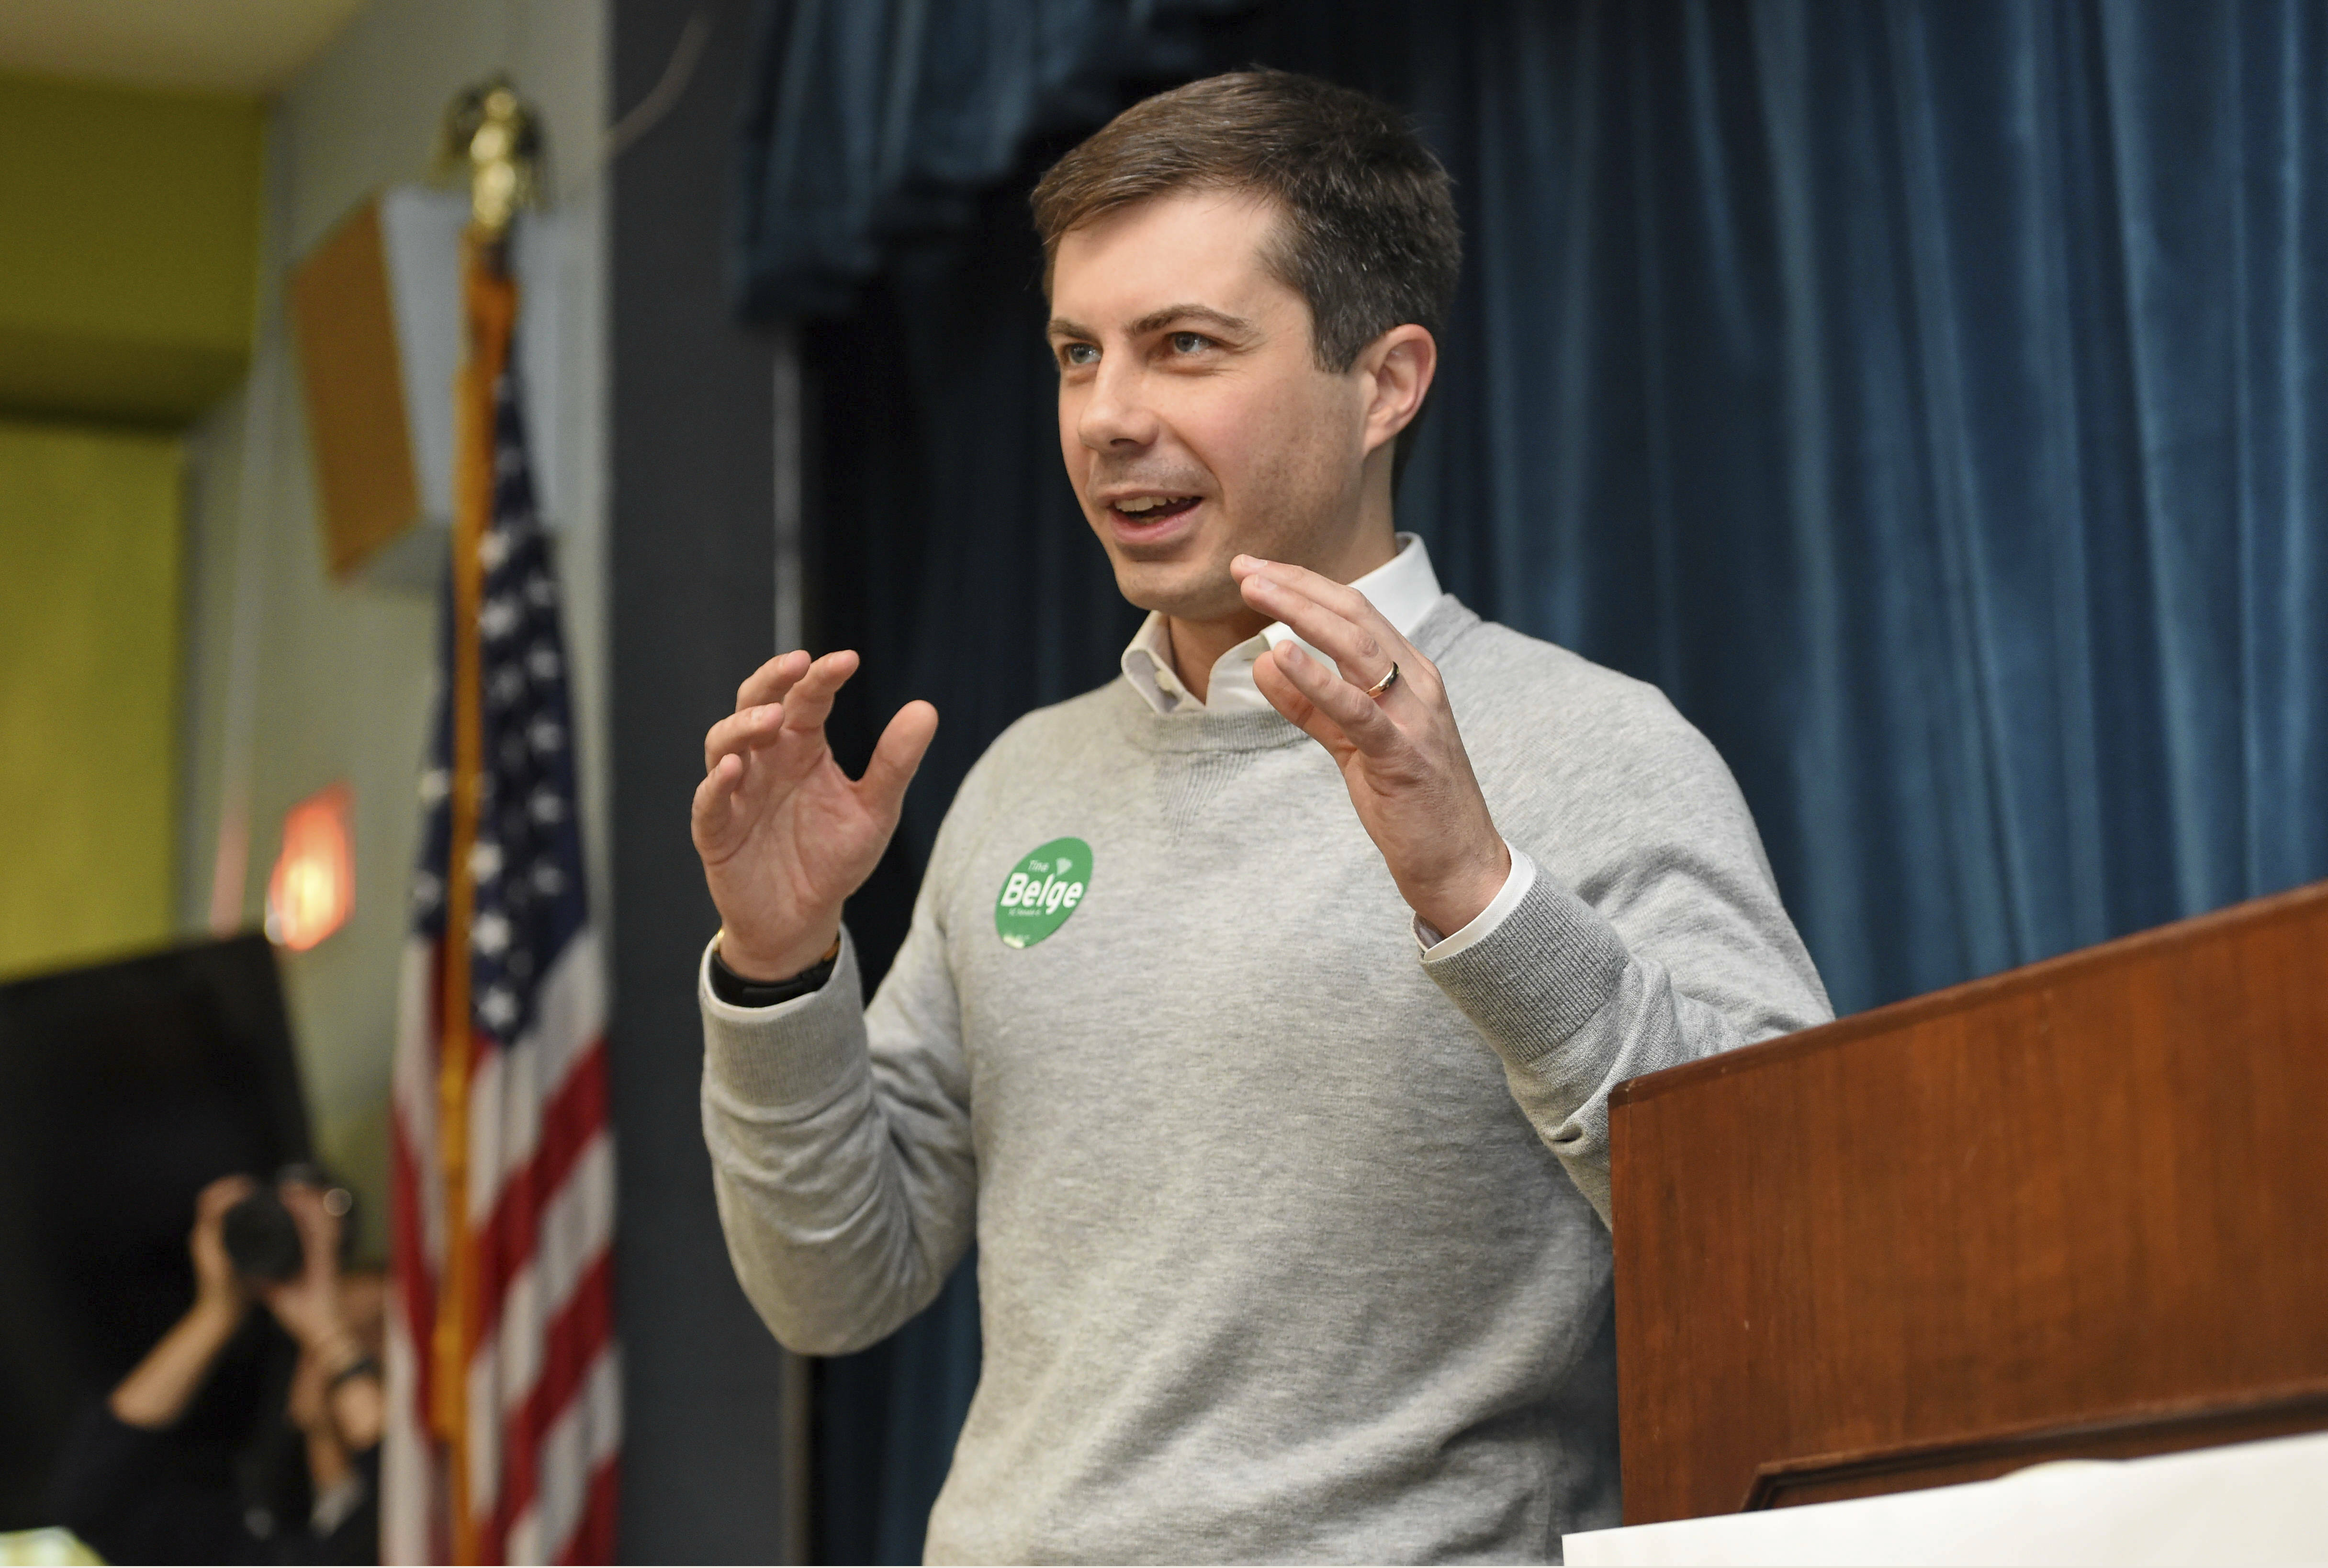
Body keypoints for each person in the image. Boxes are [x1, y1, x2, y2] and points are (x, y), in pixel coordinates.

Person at [692, 69, 1831, 1563]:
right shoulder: (1022, 783)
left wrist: (1483, 900)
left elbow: (1793, 1236)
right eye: (1075, 353)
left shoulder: (1598, 748)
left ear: (1386, 381)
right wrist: (777, 972)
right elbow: (834, 1286)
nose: (1106, 419)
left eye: (1182, 349)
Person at [49, 1175, 384, 1565]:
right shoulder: (268, 1531)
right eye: (307, 1340)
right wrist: (218, 1311)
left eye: (374, 1335)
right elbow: (95, 1503)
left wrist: (331, 1336)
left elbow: (412, 1482)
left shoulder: (412, 1521)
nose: (329, 1357)